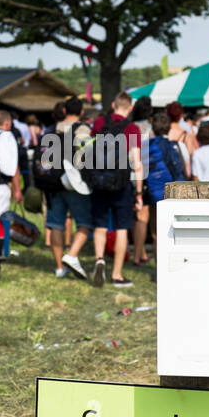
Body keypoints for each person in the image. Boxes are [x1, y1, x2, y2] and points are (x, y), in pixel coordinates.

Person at [85, 91, 143, 290]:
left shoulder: (99, 123)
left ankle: (100, 259)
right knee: (121, 228)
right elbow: (136, 163)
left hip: (99, 180)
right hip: (121, 184)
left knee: (100, 226)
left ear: (113, 104)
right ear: (130, 108)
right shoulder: (132, 128)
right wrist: (139, 193)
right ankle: (117, 275)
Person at [39, 97, 92, 279]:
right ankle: (72, 254)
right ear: (82, 112)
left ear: (63, 111)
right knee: (85, 223)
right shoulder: (83, 130)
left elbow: (44, 159)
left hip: (53, 184)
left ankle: (59, 267)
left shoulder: (50, 130)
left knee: (55, 225)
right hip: (75, 183)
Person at [144, 111, 184, 252]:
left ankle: (158, 266)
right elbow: (183, 169)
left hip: (153, 192)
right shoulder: (175, 146)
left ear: (153, 128)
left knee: (156, 232)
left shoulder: (146, 146)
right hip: (172, 192)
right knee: (174, 230)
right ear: (169, 128)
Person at [0, 110, 23, 259]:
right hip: (0, 186)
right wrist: (17, 189)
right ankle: (2, 250)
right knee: (2, 220)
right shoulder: (7, 137)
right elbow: (12, 166)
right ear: (8, 123)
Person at [130, 98, 154, 265]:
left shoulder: (130, 127)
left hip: (127, 173)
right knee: (142, 216)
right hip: (142, 174)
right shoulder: (149, 129)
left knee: (134, 215)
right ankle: (137, 256)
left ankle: (142, 252)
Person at [165, 101, 195, 177]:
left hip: (166, 172)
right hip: (181, 173)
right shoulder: (185, 134)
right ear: (181, 115)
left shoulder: (163, 132)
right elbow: (191, 153)